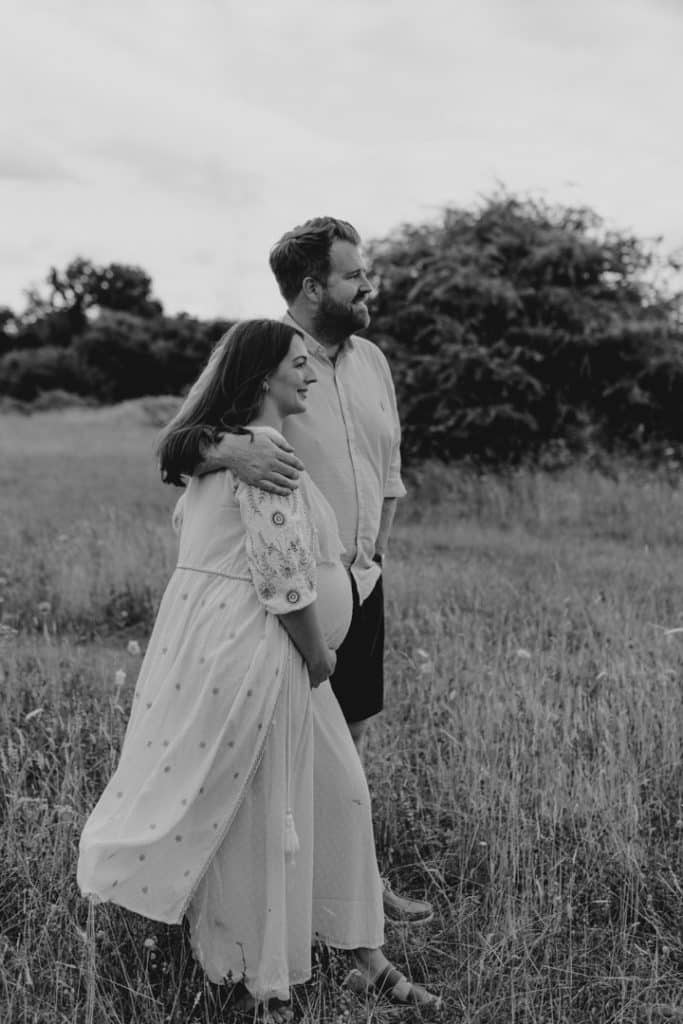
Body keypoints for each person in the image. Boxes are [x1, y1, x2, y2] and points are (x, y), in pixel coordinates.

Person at [77, 320, 440, 1020]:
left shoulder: (233, 451)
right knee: (270, 816)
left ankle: (362, 955)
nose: (308, 375)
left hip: (253, 652)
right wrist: (319, 653)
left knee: (338, 797)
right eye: (297, 365)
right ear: (263, 376)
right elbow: (281, 581)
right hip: (268, 656)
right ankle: (264, 985)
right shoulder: (259, 454)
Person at [195, 217, 433, 927]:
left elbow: (388, 472)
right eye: (355, 274)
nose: (370, 285)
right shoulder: (267, 354)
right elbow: (184, 441)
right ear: (310, 286)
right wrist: (230, 452)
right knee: (283, 751)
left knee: (349, 740)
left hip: (363, 581)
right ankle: (274, 901)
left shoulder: (374, 361)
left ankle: (358, 886)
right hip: (288, 599)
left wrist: (373, 559)